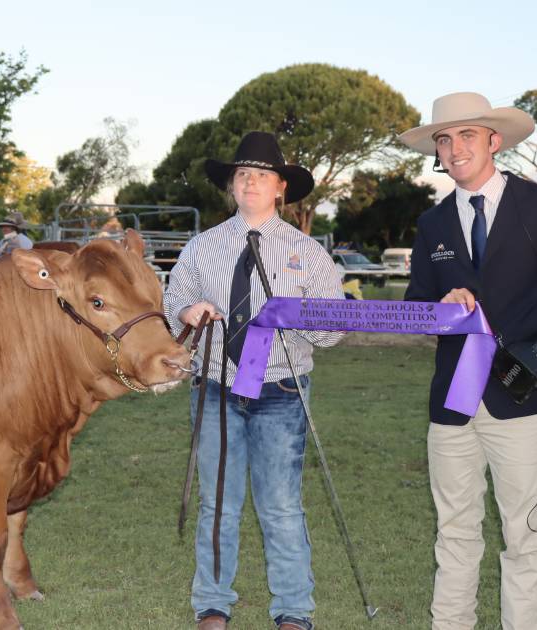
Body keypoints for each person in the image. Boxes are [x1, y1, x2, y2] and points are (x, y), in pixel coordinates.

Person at [399, 92, 537, 630]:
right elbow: (414, 307)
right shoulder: (432, 223)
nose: (454, 148)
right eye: (444, 140)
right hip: (452, 404)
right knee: (454, 532)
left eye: (466, 136)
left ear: (494, 141)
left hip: (522, 398)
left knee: (524, 537)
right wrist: (437, 308)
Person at [164, 131, 344, 630]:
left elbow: (332, 331)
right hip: (217, 388)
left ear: (280, 188)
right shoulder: (203, 247)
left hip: (281, 392)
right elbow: (173, 295)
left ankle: (292, 611)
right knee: (216, 502)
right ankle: (213, 604)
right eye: (242, 175)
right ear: (232, 186)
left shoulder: (308, 253)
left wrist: (296, 316)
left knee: (281, 505)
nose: (250, 183)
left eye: (261, 176)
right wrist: (187, 308)